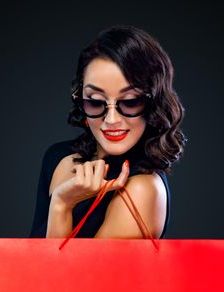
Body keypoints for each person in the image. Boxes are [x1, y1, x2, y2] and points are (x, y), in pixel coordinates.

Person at [30, 24, 186, 239]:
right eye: (95, 102)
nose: (111, 120)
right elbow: (29, 265)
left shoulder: (142, 189)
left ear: (153, 102)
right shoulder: (59, 157)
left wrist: (62, 205)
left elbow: (67, 273)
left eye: (130, 102)